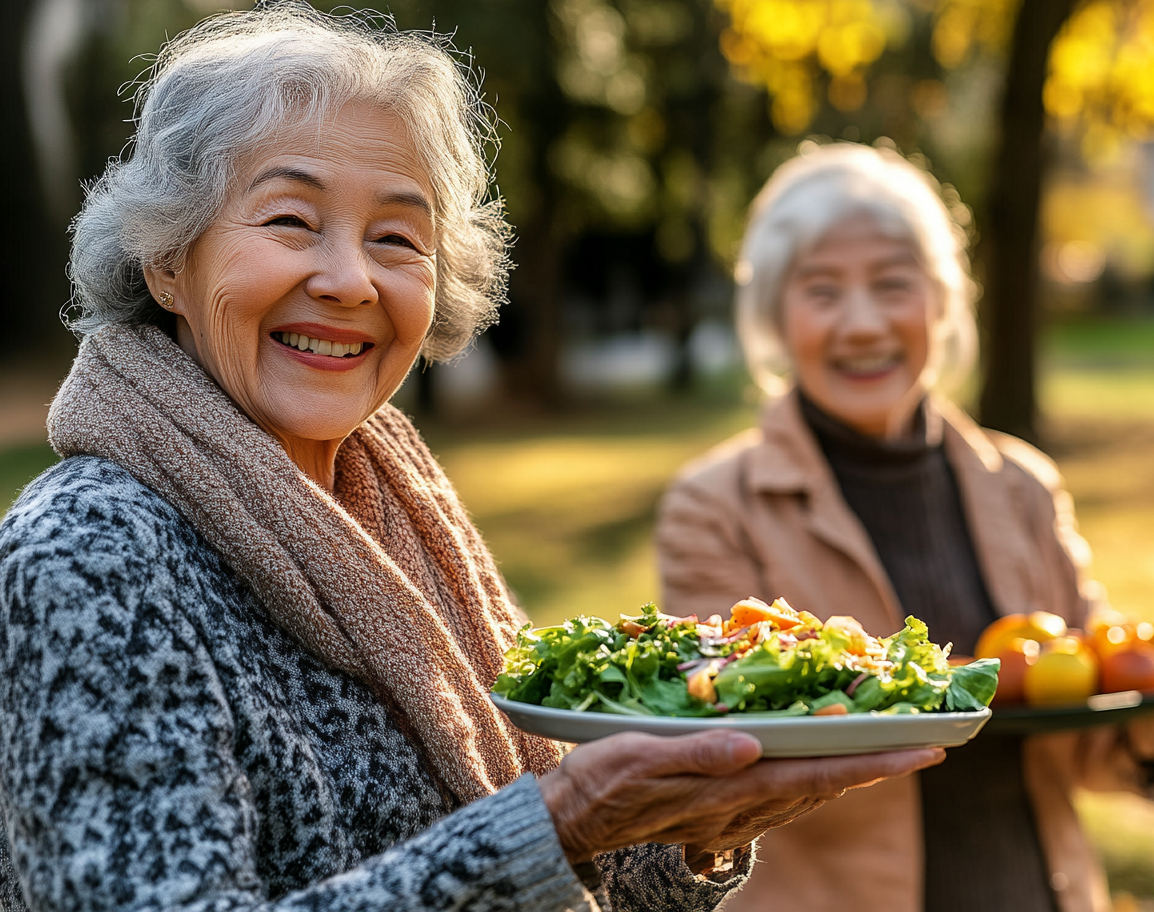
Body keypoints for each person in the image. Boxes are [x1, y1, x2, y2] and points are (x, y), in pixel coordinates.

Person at [0, 11, 945, 912]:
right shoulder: (90, 561)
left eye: (396, 238)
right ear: (168, 259)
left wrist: (702, 820)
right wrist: (559, 825)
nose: (348, 278)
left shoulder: (400, 520)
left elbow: (572, 875)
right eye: (289, 220)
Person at [655, 143, 1154, 912]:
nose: (863, 324)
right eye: (822, 291)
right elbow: (723, 748)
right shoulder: (715, 505)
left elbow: (1087, 718)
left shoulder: (1023, 485)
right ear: (774, 319)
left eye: (893, 285)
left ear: (943, 302)